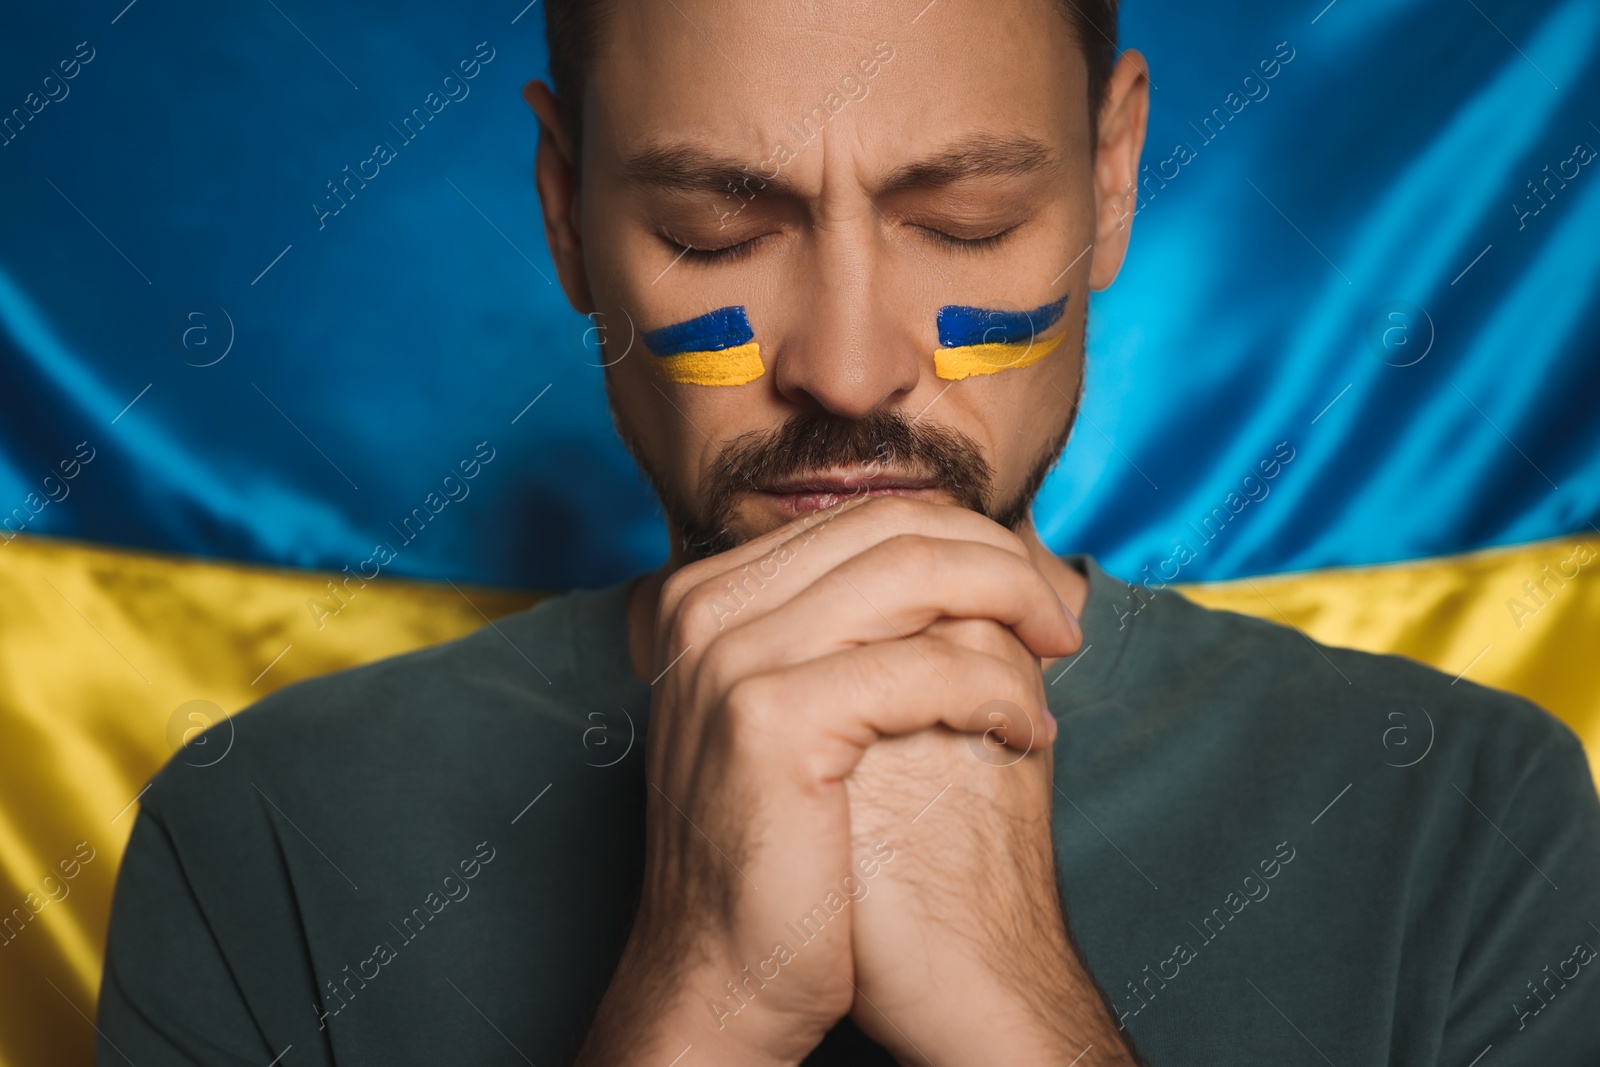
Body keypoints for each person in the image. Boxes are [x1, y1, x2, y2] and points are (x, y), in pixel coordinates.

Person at [98, 0, 1600, 1063]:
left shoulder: (1465, 817)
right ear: (562, 210)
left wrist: (1017, 1003)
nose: (847, 363)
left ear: (1114, 173)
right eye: (712, 232)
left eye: (964, 222)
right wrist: (694, 1006)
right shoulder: (269, 835)